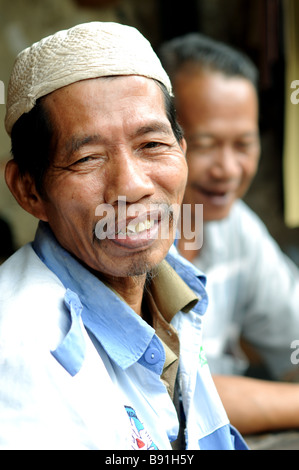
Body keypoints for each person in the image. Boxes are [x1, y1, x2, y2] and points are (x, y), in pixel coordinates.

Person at [0, 22, 247, 450]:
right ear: (28, 189)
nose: (132, 186)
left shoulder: (176, 291)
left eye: (152, 145)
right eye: (88, 157)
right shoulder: (22, 352)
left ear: (182, 151)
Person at [159, 33, 299, 435]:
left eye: (243, 144)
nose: (228, 169)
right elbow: (176, 395)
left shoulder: (236, 227)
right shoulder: (128, 243)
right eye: (205, 144)